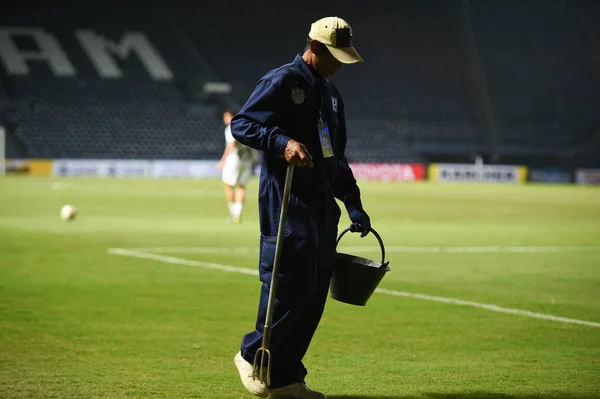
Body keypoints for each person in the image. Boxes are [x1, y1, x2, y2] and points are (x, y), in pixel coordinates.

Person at [231, 16, 372, 399]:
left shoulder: (330, 95)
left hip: (323, 206)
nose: (340, 65)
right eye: (335, 57)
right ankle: (251, 354)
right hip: (287, 200)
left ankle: (286, 377)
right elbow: (242, 125)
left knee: (313, 294)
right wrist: (281, 142)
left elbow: (335, 158)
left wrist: (354, 203)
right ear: (315, 47)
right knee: (287, 286)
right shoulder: (282, 81)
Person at [217, 108, 257, 223]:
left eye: (226, 116)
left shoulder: (230, 128)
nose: (225, 119)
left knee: (228, 185)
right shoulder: (245, 126)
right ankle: (237, 214)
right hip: (246, 159)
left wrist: (223, 160)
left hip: (234, 159)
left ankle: (233, 213)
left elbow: (231, 144)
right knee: (241, 186)